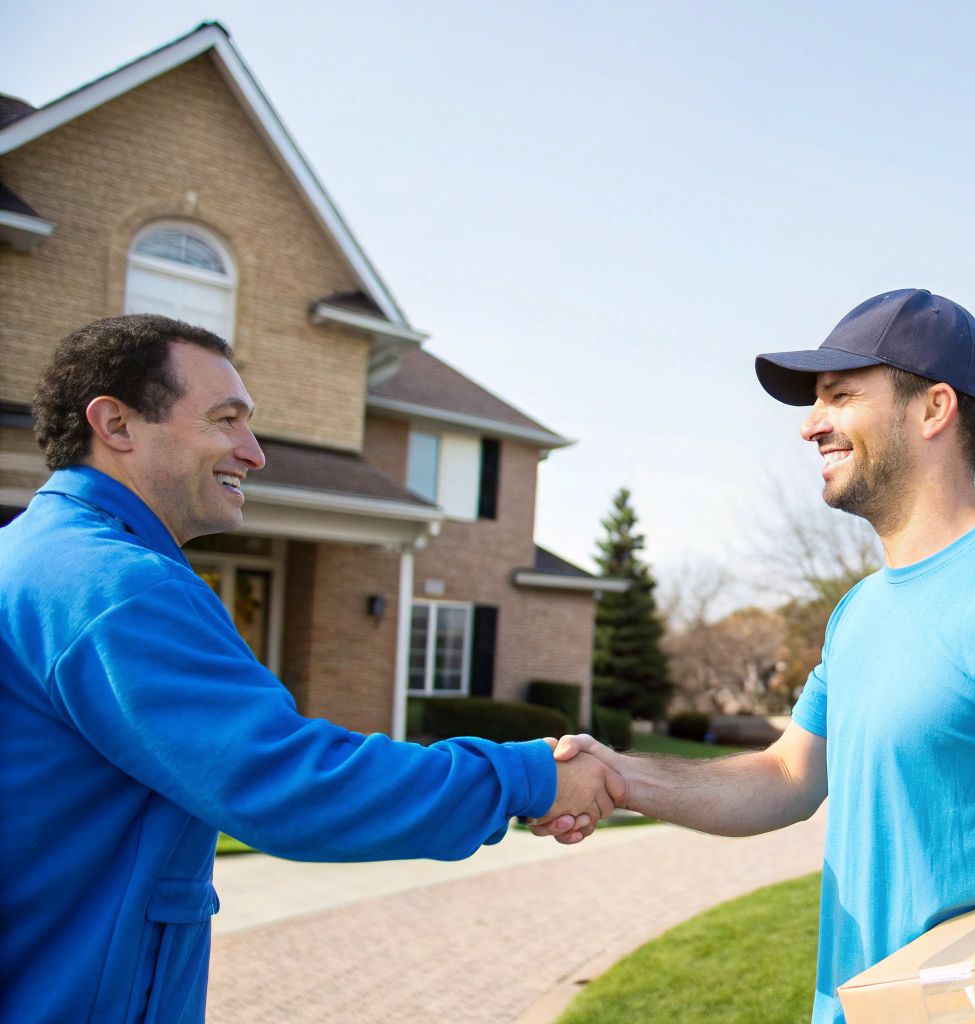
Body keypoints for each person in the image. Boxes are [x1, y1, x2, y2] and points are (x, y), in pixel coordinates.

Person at [542, 289, 975, 1022]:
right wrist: (622, 776)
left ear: (934, 409)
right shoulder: (860, 613)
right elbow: (785, 776)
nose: (811, 427)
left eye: (839, 395)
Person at [0, 314, 623, 1024]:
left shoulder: (35, 555)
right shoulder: (117, 588)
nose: (254, 452)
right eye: (225, 419)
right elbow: (290, 783)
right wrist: (530, 776)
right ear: (115, 423)